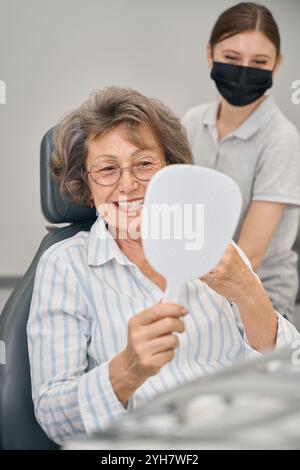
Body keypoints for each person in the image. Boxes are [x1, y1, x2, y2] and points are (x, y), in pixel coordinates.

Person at [27, 86, 299, 445]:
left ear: (170, 170)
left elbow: (289, 377)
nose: (129, 185)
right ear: (86, 188)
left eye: (144, 164)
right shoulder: (65, 266)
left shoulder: (216, 246)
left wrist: (251, 296)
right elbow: (53, 417)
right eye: (107, 169)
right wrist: (125, 372)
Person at [182, 2, 300, 321]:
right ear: (210, 54)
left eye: (259, 62)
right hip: (195, 281)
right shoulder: (192, 123)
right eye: (232, 58)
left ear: (277, 66)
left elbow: (251, 255)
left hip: (259, 293)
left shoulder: (282, 139)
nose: (244, 71)